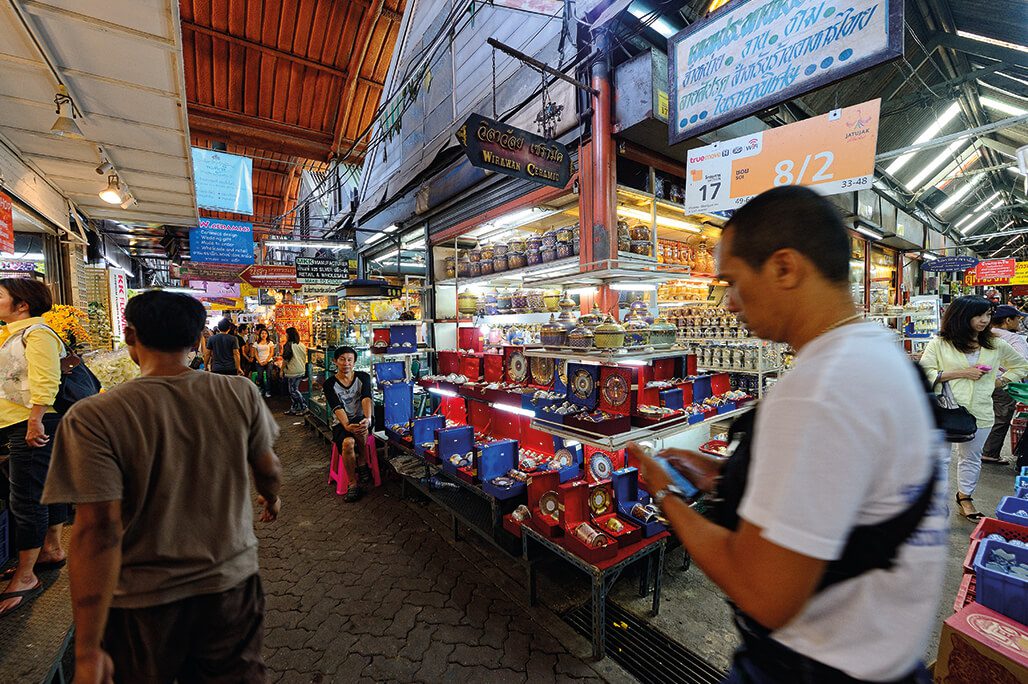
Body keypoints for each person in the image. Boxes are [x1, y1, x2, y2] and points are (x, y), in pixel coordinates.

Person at [630, 186, 949, 683]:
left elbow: (762, 593)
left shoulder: (817, 391)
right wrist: (723, 476)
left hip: (809, 668)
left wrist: (665, 495)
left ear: (784, 268)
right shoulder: (882, 357)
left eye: (733, 282)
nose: (729, 303)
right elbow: (843, 498)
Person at [42, 290, 282, 683]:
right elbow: (268, 467)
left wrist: (88, 648)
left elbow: (95, 531)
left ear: (130, 336)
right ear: (195, 340)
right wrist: (271, 498)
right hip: (229, 587)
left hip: (140, 602)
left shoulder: (94, 416)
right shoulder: (238, 392)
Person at [921, 297, 1028, 519]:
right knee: (940, 459)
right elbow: (925, 372)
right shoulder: (940, 344)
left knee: (971, 457)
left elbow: (1021, 365)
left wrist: (1002, 381)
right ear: (961, 316)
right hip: (944, 410)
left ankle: (965, 497)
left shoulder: (995, 344)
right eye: (979, 315)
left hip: (980, 411)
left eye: (988, 315)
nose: (984, 320)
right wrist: (962, 372)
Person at [0, 278, 70, 616]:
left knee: (26, 496)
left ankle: (26, 576)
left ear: (22, 304)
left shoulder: (36, 334)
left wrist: (35, 419)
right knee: (45, 490)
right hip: (28, 419)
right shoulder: (16, 333)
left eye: (0, 296)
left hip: (32, 421)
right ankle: (51, 549)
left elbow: (46, 379)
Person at [323, 346, 372, 503]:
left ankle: (363, 461)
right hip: (341, 421)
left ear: (354, 362)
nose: (346, 363)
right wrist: (345, 425)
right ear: (335, 361)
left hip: (361, 417)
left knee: (361, 427)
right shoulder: (329, 384)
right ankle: (352, 483)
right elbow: (336, 406)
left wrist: (368, 418)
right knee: (348, 442)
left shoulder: (363, 377)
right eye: (342, 359)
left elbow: (366, 398)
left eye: (349, 360)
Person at [982, 305, 1028, 464]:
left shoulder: (984, 334)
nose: (1019, 322)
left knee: (984, 416)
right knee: (1001, 418)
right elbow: (1022, 362)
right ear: (1007, 321)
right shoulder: (1013, 338)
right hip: (1004, 383)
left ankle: (978, 449)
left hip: (982, 380)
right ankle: (990, 453)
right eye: (1017, 319)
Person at [281, 327, 308, 415]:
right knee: (293, 389)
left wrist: (281, 370)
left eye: (286, 334)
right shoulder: (301, 345)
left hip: (293, 370)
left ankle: (304, 407)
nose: (285, 335)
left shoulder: (289, 345)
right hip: (301, 369)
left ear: (289, 335)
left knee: (293, 390)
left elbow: (286, 359)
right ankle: (294, 408)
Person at [252, 328, 276, 398]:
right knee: (260, 376)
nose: (264, 335)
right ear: (260, 334)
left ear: (267, 334)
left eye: (265, 333)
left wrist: (266, 360)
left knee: (269, 376)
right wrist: (259, 361)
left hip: (269, 361)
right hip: (259, 361)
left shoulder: (270, 343)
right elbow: (255, 353)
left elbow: (272, 353)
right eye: (262, 333)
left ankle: (268, 391)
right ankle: (262, 389)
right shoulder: (256, 343)